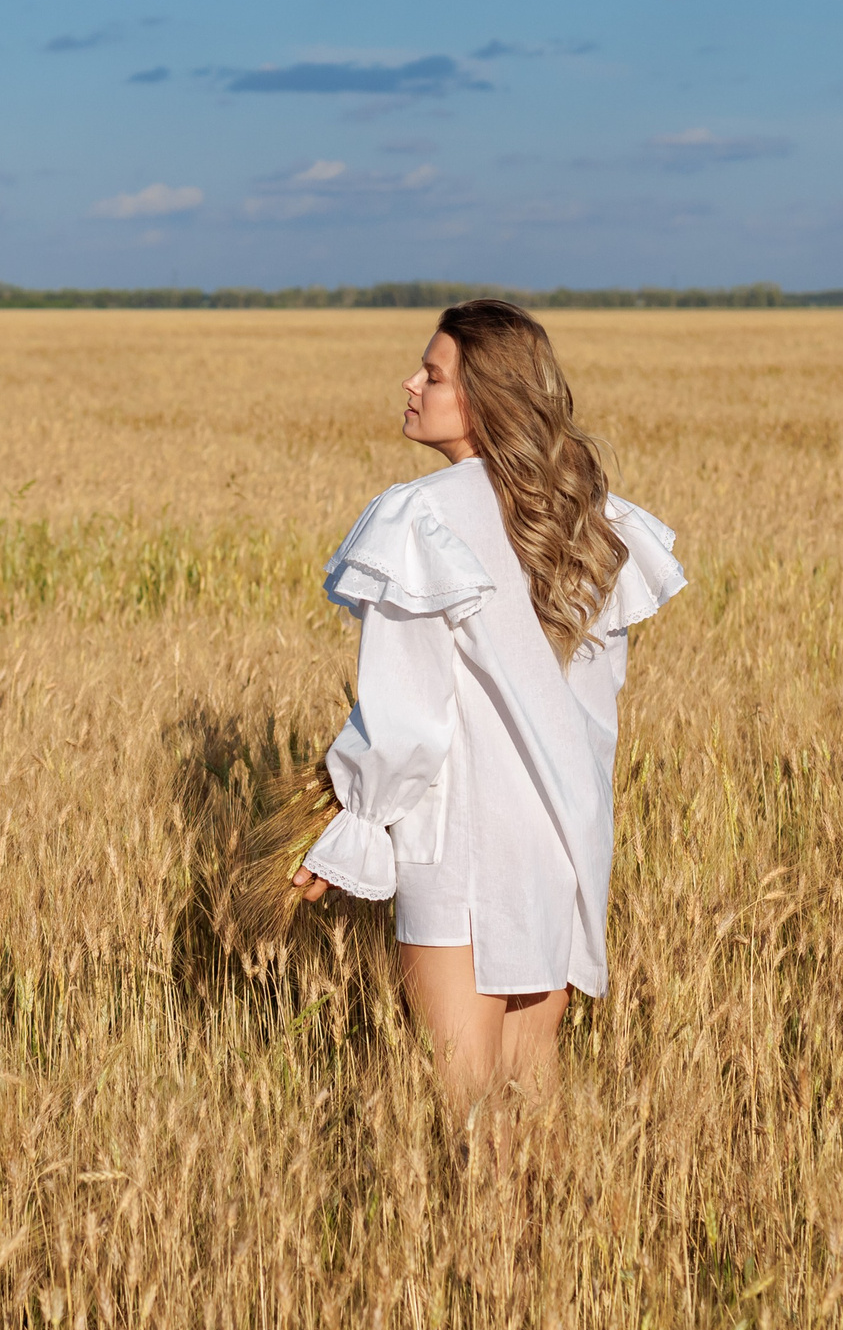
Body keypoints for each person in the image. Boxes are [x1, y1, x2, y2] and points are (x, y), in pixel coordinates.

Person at [290, 299, 685, 1126]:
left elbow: (406, 719)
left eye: (432, 375)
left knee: (459, 1111)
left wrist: (353, 822)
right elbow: (594, 713)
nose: (410, 384)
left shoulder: (422, 517)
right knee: (530, 1102)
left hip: (460, 852)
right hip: (561, 843)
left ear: (483, 398)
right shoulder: (585, 518)